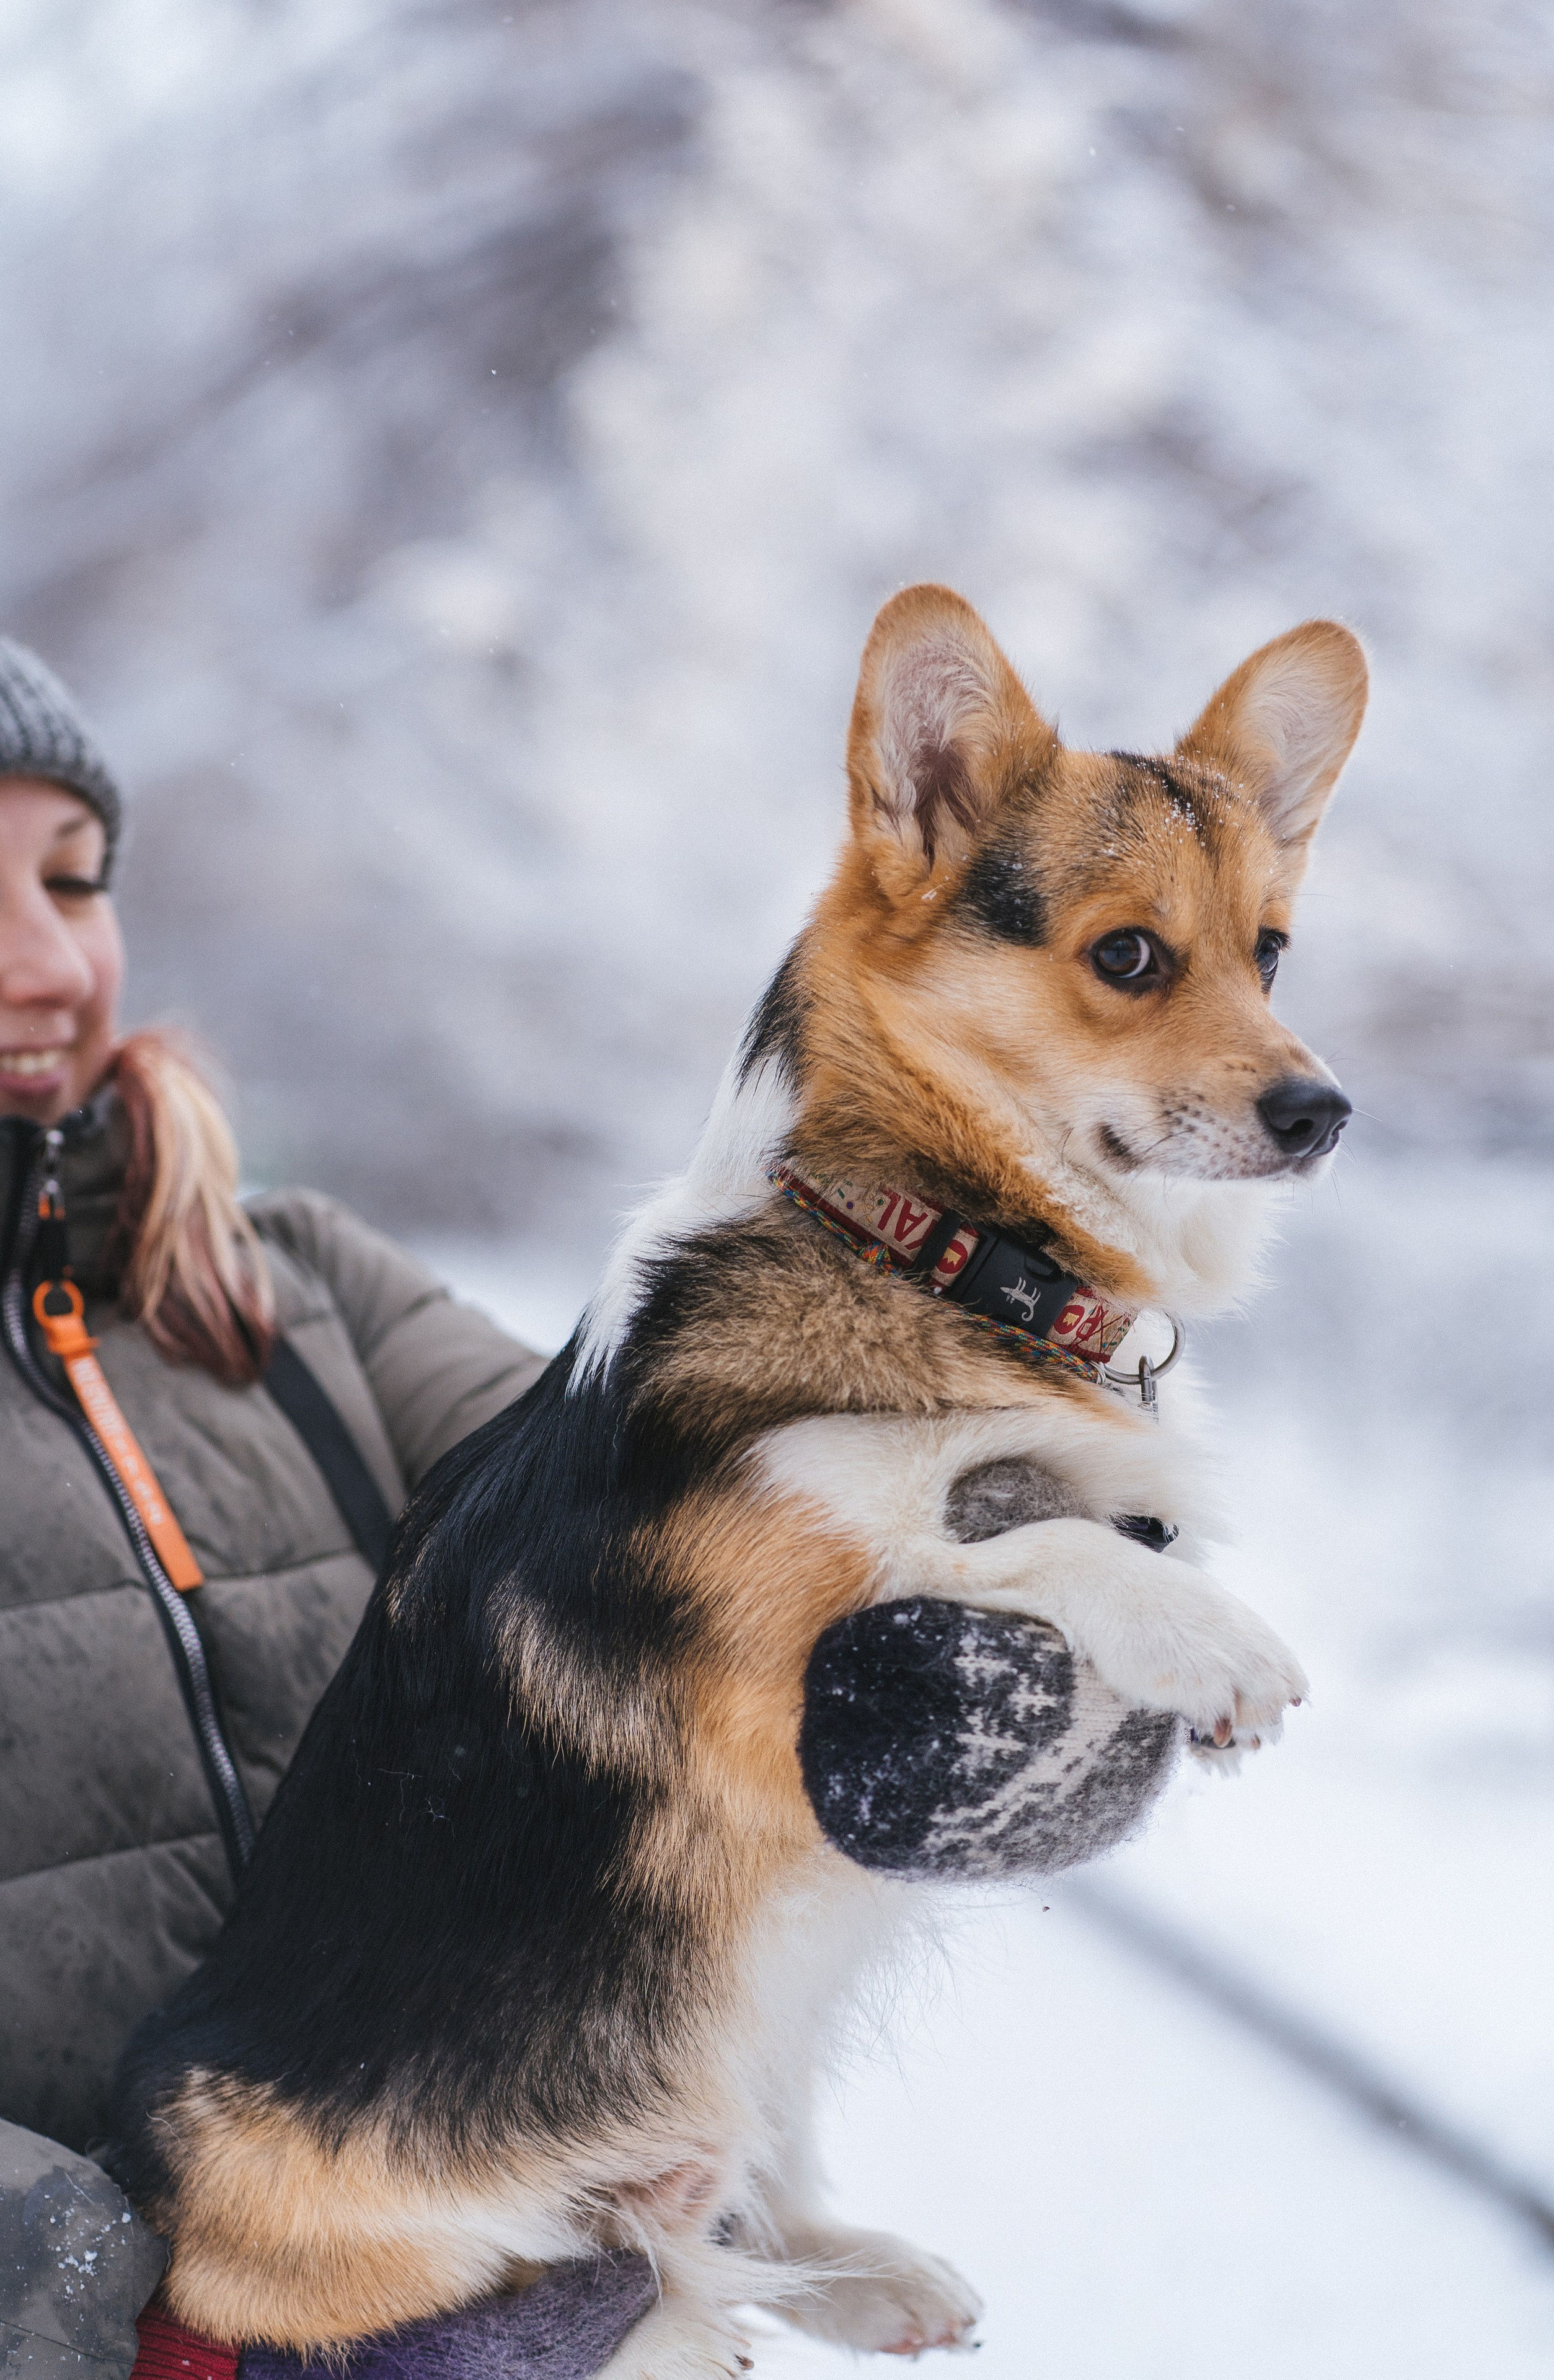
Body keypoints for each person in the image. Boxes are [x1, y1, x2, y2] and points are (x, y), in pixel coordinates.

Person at [0, 640, 1179, 2380]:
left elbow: (715, 1540)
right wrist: (130, 2307)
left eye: (75, 883)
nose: (48, 959)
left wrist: (1020, 1663)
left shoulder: (297, 1291)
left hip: (565, 2254)